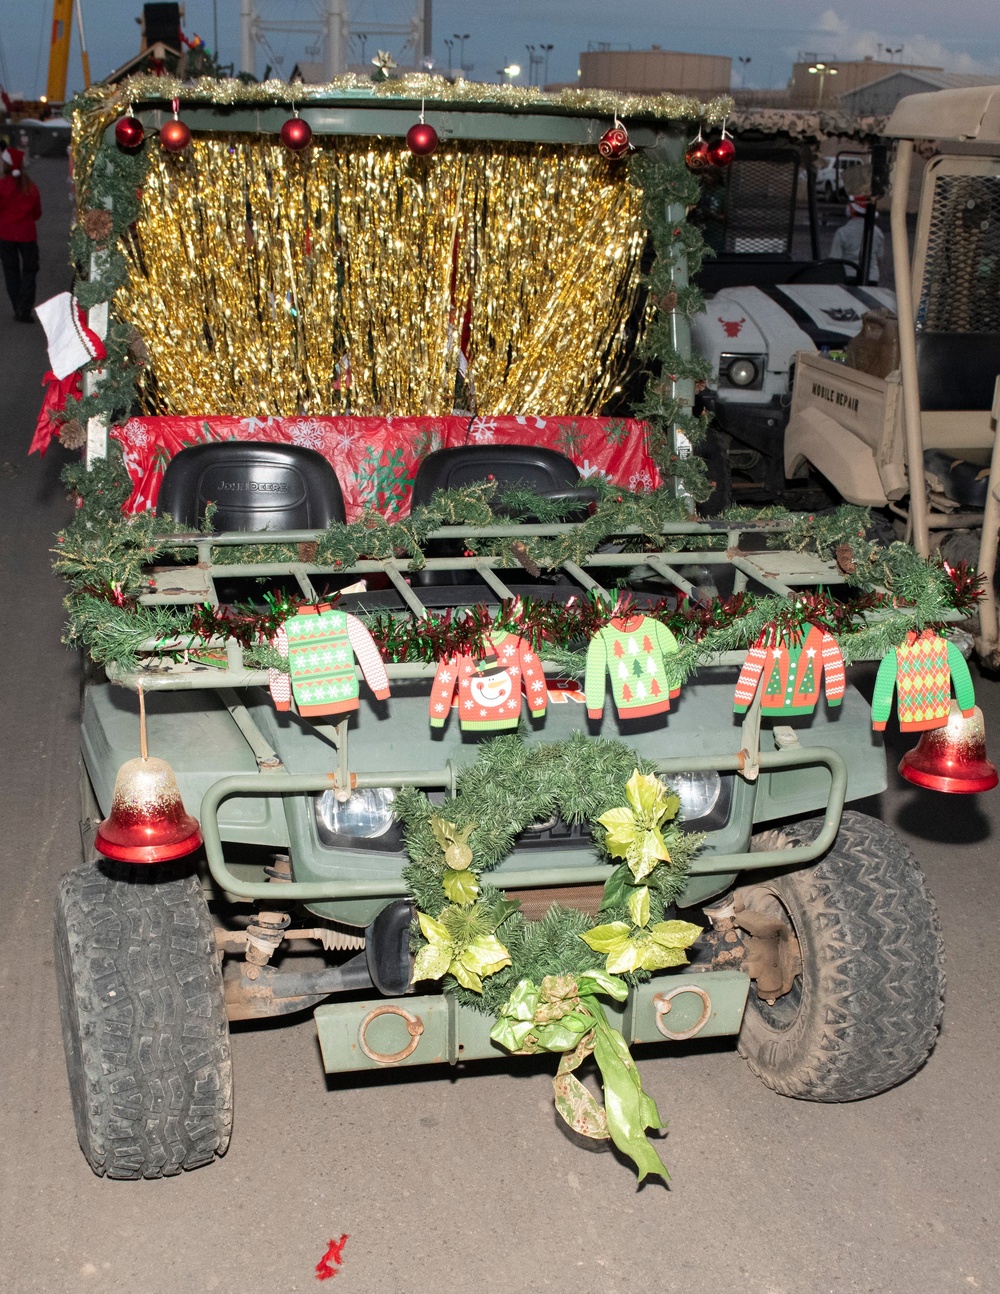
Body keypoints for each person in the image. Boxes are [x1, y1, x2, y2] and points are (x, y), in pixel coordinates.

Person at [0, 147, 42, 322]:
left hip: (6, 233)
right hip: (27, 234)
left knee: (11, 271)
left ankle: (18, 305)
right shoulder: (31, 188)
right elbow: (37, 213)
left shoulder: (2, 186)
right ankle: (25, 306)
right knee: (30, 270)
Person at [830, 194, 884, 285]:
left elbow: (835, 261)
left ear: (852, 209)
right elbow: (878, 260)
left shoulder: (842, 232)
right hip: (871, 278)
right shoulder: (878, 233)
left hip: (848, 277)